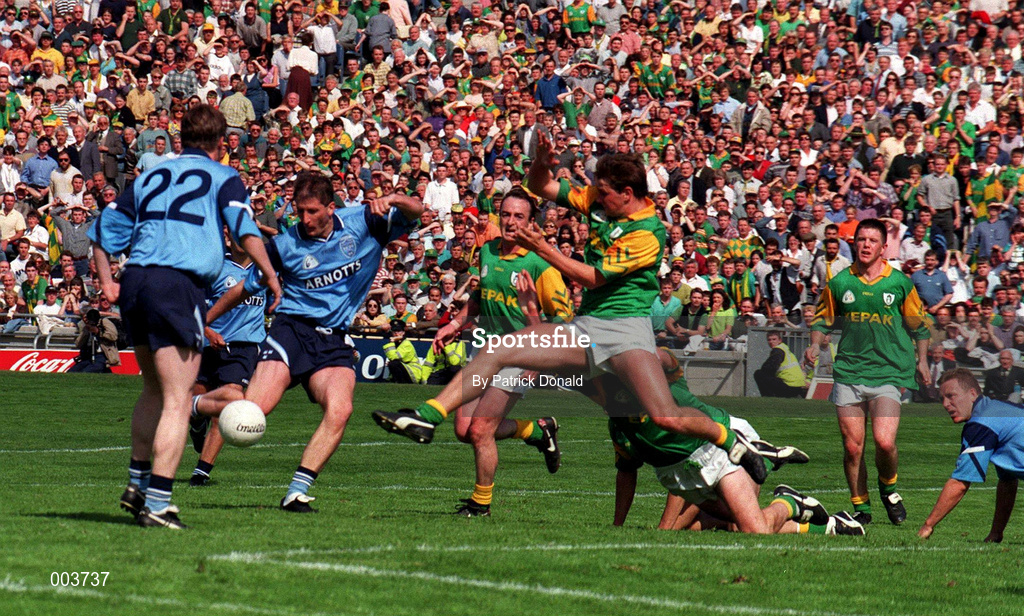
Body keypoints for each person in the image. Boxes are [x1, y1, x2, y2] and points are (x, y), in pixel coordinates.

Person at [373, 136, 769, 485]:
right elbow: (540, 186)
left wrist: (542, 247)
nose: (597, 196)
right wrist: (543, 160)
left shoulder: (648, 232)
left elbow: (593, 278)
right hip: (585, 327)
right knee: (499, 350)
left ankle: (731, 439)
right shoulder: (601, 199)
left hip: (626, 331)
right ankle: (427, 415)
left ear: (628, 193)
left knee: (664, 415)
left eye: (606, 192)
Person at [87, 104, 281, 530]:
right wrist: (269, 273)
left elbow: (103, 229)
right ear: (220, 144)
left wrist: (107, 282)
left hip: (136, 280)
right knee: (178, 399)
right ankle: (158, 503)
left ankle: (137, 483)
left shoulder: (152, 175)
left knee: (153, 390)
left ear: (181, 137)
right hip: (178, 283)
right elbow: (245, 229)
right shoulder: (224, 177)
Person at [206, 172, 422, 513]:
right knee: (251, 413)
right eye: (298, 211)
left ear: (331, 208)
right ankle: (196, 408)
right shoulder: (284, 245)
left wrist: (394, 198)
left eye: (311, 211)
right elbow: (244, 288)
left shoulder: (365, 221)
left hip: (333, 338)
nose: (303, 219)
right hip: (291, 332)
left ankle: (296, 492)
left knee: (341, 410)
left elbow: (417, 210)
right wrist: (203, 320)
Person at [421, 187, 573, 517]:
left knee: (480, 430)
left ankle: (481, 504)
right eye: (505, 214)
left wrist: (540, 355)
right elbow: (478, 298)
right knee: (464, 431)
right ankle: (538, 429)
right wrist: (455, 324)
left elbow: (564, 322)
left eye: (519, 216)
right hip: (485, 353)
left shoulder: (540, 264)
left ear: (532, 223)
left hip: (520, 357)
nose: (511, 221)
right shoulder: (488, 251)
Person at [598, 348, 862, 536]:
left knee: (753, 531)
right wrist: (617, 527)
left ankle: (789, 505)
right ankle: (823, 523)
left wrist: (663, 530)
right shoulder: (619, 425)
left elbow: (663, 356)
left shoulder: (666, 389)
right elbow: (627, 472)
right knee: (733, 525)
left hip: (725, 446)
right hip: (690, 475)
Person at [807, 218, 930, 527]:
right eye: (861, 239)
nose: (865, 245)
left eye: (872, 240)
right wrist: (814, 345)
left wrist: (923, 360)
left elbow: (920, 326)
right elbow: (822, 321)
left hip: (889, 371)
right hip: (849, 371)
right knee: (852, 446)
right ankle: (861, 506)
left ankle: (889, 489)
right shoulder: (839, 283)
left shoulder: (899, 283)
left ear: (883, 247)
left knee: (885, 442)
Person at [187, 230, 269, 487]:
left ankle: (202, 472)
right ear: (227, 238)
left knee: (229, 402)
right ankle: (195, 418)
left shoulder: (265, 270)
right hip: (209, 345)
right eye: (237, 234)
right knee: (199, 401)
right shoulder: (214, 268)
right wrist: (208, 331)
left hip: (244, 348)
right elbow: (194, 307)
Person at [919, 369, 1024, 543]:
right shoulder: (994, 412)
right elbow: (1007, 481)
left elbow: (960, 483)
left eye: (951, 396)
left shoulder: (982, 423)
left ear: (973, 394)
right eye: (942, 399)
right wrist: (996, 533)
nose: (945, 404)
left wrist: (928, 525)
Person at [754, 330, 808, 398]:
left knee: (759, 374)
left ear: (780, 340)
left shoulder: (778, 350)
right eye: (769, 340)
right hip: (798, 386)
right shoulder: (786, 349)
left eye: (774, 339)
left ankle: (768, 397)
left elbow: (769, 368)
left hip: (789, 385)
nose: (771, 342)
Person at [68, 308, 121, 373]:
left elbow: (114, 336)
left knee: (86, 372)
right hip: (88, 356)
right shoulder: (86, 326)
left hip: (102, 355)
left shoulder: (104, 322)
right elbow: (78, 344)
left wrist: (98, 332)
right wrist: (86, 330)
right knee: (71, 372)